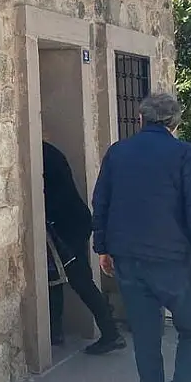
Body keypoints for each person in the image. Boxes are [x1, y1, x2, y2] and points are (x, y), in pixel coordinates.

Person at [92, 93, 191, 382]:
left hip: (129, 259)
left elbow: (101, 201)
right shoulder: (185, 154)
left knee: (146, 337)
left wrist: (102, 247)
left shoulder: (118, 152)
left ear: (140, 119)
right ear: (174, 123)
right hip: (174, 261)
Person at [42, 139, 125, 354]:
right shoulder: (49, 151)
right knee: (56, 277)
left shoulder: (42, 154)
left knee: (78, 279)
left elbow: (52, 197)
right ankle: (55, 331)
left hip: (66, 226)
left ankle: (110, 332)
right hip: (70, 223)